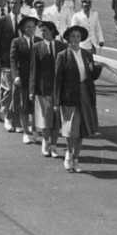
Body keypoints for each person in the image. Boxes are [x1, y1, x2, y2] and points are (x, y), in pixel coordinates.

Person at [54, 25, 102, 173]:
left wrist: (99, 68)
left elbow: (91, 76)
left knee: (82, 128)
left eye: (78, 37)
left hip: (85, 95)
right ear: (68, 39)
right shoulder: (62, 56)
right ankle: (69, 153)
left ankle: (76, 158)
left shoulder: (87, 55)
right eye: (72, 36)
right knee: (70, 129)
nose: (75, 39)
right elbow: (58, 80)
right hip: (69, 96)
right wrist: (56, 101)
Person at [30, 21, 65, 158]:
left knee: (56, 119)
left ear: (52, 31)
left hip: (59, 88)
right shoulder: (36, 47)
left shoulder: (61, 46)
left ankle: (54, 145)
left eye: (45, 30)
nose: (42, 33)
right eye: (41, 31)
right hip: (43, 88)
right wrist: (32, 90)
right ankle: (46, 142)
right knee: (45, 118)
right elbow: (33, 69)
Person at [10, 16, 40, 144]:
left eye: (33, 27)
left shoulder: (39, 40)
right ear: (23, 28)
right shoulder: (17, 41)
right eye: (28, 27)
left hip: (36, 79)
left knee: (35, 106)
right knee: (23, 105)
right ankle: (26, 132)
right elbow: (13, 60)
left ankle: (34, 129)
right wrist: (15, 75)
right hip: (22, 77)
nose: (31, 29)